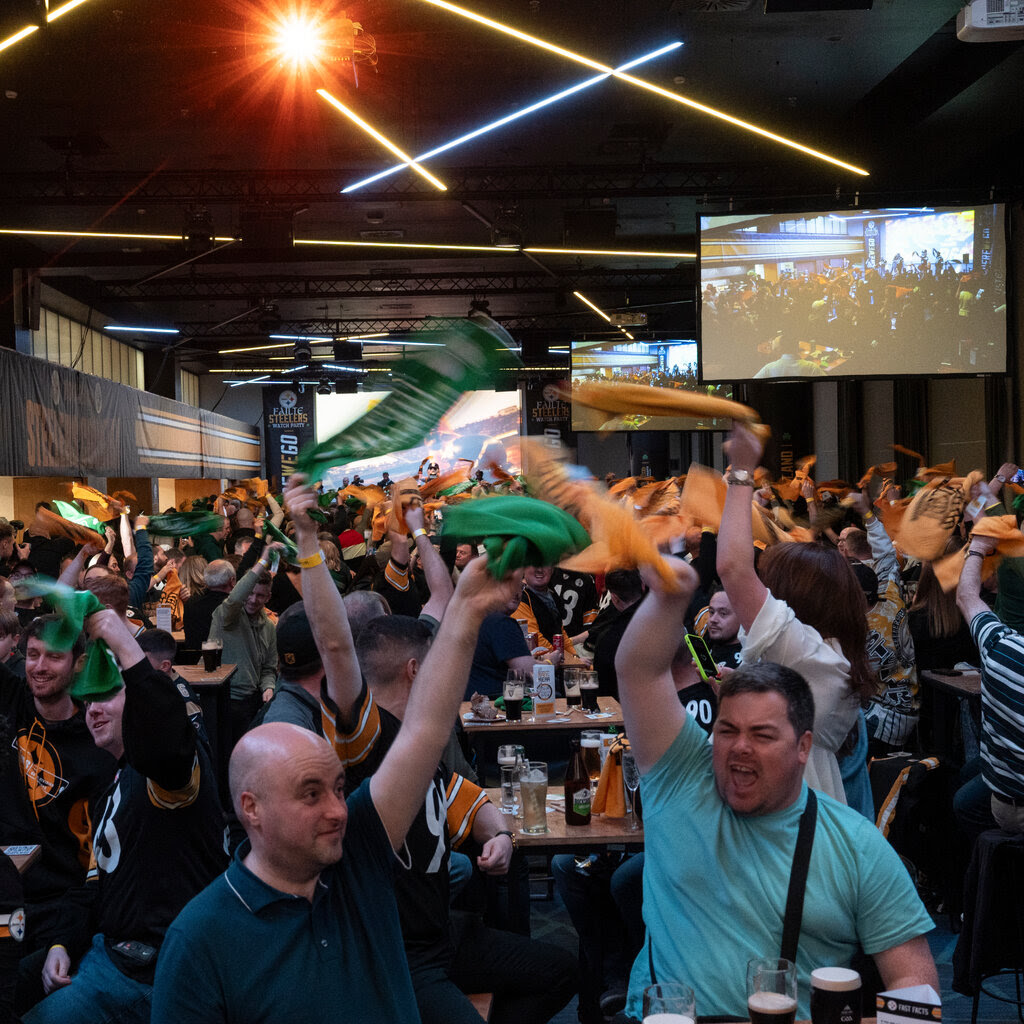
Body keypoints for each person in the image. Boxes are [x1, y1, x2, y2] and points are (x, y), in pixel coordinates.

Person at [150, 516, 537, 1024]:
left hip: (437, 934)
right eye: (311, 794)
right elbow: (337, 647)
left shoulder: (357, 864)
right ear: (252, 808)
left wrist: (467, 604)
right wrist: (308, 546)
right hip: (426, 953)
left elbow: (426, 733)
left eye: (338, 787)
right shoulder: (200, 939)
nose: (339, 809)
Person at [615, 555, 938, 1020]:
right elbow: (639, 670)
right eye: (727, 730)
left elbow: (916, 981)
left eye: (763, 735)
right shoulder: (681, 779)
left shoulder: (855, 844)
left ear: (804, 746)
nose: (738, 748)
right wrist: (669, 599)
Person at [24, 611, 226, 1024]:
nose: (93, 711)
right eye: (89, 700)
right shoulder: (114, 777)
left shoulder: (166, 776)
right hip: (108, 954)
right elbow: (96, 883)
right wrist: (62, 943)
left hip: (158, 973)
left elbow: (169, 744)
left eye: (107, 697)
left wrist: (126, 645)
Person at [717, 423, 877, 803]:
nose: (764, 594)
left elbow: (734, 569)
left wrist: (741, 470)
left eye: (771, 585)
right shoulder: (824, 654)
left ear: (796, 598)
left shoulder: (807, 652)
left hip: (787, 829)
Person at [0, 615, 116, 1011]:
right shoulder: (13, 702)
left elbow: (97, 869)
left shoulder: (97, 741)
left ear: (77, 664)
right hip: (7, 896)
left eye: (54, 656)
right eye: (33, 655)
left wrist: (66, 936)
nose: (39, 666)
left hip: (58, 908)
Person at [956, 529, 1024, 833]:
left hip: (1014, 805)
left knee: (963, 803)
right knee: (969, 770)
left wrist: (978, 549)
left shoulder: (1002, 650)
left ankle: (991, 870)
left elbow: (966, 596)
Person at [208, 545, 281, 747]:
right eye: (250, 593)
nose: (253, 600)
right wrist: (262, 561)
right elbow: (234, 600)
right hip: (223, 698)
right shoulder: (228, 615)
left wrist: (268, 687)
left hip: (250, 702)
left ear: (268, 597)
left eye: (260, 596)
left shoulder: (268, 626)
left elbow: (268, 667)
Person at [181, 558, 233, 650]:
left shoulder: (191, 604)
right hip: (225, 661)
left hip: (193, 660)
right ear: (232, 581)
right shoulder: (232, 606)